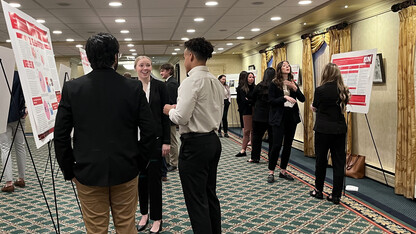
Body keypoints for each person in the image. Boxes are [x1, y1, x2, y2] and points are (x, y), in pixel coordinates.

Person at [54, 32, 156, 233]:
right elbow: (149, 131)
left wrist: (69, 170)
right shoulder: (133, 87)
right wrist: (139, 162)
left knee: (96, 229)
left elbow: (61, 135)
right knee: (126, 226)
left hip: (87, 171)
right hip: (126, 168)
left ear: (89, 58)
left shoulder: (73, 88)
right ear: (115, 57)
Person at [163, 37, 223, 234]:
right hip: (213, 141)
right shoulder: (215, 80)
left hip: (195, 145)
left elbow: (181, 117)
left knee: (196, 200)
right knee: (209, 194)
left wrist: (168, 110)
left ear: (190, 56)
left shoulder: (191, 81)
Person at [135, 56, 170, 233]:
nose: (145, 68)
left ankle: (157, 218)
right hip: (137, 142)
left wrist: (166, 141)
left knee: (155, 182)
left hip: (156, 141)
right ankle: (144, 214)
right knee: (140, 181)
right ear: (136, 68)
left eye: (148, 65)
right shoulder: (131, 87)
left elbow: (165, 115)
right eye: (141, 65)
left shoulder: (160, 86)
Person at [310, 63, 350, 204]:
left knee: (321, 160)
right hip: (339, 129)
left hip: (323, 129)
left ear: (325, 74)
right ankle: (336, 195)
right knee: (339, 163)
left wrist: (313, 107)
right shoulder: (343, 90)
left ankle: (318, 190)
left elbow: (315, 106)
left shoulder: (320, 90)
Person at [268, 61, 305, 183]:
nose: (287, 67)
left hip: (291, 117)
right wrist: (284, 97)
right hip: (279, 117)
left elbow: (302, 99)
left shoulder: (293, 83)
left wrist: (295, 88)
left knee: (288, 145)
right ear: (279, 69)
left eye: (288, 65)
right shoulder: (274, 83)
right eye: (284, 65)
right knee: (277, 145)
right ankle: (271, 171)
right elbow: (271, 101)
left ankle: (283, 171)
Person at [0, 71, 27, 193]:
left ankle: (9, 182)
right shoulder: (18, 75)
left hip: (3, 116)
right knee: (20, 147)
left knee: (5, 148)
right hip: (19, 116)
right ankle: (21, 178)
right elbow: (25, 94)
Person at [248, 67, 275, 163]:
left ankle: (255, 157)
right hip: (271, 115)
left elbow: (253, 98)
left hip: (259, 115)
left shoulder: (259, 86)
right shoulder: (275, 87)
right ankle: (271, 158)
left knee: (257, 137)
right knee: (272, 138)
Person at [160, 63, 179, 172]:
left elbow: (171, 102)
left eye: (163, 71)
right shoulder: (169, 82)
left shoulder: (171, 84)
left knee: (172, 140)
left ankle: (174, 163)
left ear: (169, 71)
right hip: (168, 115)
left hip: (170, 116)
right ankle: (168, 162)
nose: (161, 73)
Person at [235, 72, 255, 157]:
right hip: (246, 111)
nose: (251, 79)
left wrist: (249, 100)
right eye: (250, 77)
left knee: (254, 131)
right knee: (246, 131)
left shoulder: (256, 88)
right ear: (246, 78)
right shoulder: (243, 89)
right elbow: (244, 101)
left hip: (255, 111)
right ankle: (243, 150)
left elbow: (255, 99)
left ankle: (254, 150)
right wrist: (250, 101)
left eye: (252, 77)